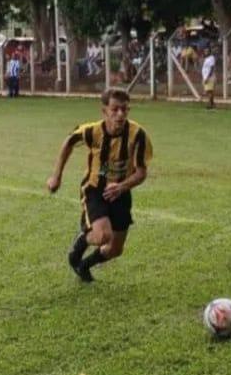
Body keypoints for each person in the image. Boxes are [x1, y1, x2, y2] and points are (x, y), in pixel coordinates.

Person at [45, 89, 153, 282]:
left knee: (115, 249)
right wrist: (56, 177)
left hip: (121, 193)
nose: (120, 114)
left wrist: (122, 187)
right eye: (115, 109)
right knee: (103, 235)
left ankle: (84, 265)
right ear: (104, 111)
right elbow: (69, 143)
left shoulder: (138, 135)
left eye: (124, 109)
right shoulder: (92, 131)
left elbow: (141, 172)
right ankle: (80, 244)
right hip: (94, 189)